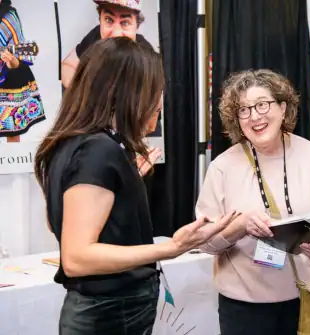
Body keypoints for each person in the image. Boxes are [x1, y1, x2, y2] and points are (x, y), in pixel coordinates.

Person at [34, 37, 235, 335]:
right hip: (111, 315)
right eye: (155, 90)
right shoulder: (98, 151)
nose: (159, 102)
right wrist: (172, 248)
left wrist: (124, 186)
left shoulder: (73, 145)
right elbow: (77, 258)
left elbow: (59, 224)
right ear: (129, 91)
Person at [195, 69, 310, 335]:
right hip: (245, 310)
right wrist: (239, 226)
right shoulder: (222, 168)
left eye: (262, 104)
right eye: (244, 110)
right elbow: (205, 242)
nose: (255, 116)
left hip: (308, 300)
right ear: (236, 120)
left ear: (283, 108)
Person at [62, 0, 161, 175]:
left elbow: (150, 122)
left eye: (124, 23)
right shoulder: (94, 40)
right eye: (108, 20)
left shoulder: (145, 58)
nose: (115, 32)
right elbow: (68, 66)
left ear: (136, 25)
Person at [0, 0, 45, 143]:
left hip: (8, 80)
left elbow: (18, 58)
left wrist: (12, 62)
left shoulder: (9, 19)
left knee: (12, 129)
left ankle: (14, 159)